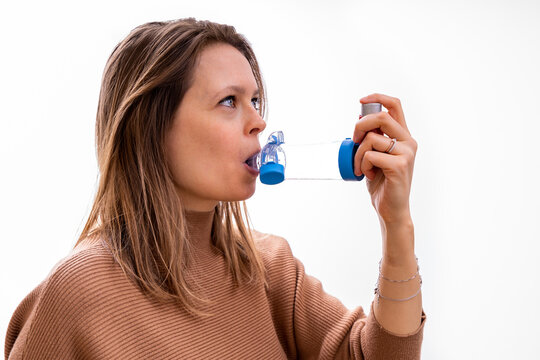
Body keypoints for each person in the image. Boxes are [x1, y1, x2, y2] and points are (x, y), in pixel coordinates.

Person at [5, 18, 425, 359]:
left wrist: (396, 223)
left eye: (256, 101)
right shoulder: (79, 292)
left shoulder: (269, 269)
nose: (258, 122)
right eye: (229, 101)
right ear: (153, 127)